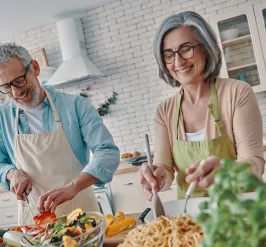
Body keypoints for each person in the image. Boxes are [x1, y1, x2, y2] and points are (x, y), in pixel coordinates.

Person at [139, 11, 265, 201]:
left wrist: (228, 171)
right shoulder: (164, 111)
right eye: (169, 55)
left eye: (186, 48)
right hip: (190, 222)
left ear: (206, 48)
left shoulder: (237, 92)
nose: (178, 61)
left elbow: (255, 164)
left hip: (241, 215)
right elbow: (164, 171)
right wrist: (155, 177)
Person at [0, 43, 120, 225]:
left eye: (19, 81)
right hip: (34, 221)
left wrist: (73, 187)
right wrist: (11, 173)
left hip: (81, 214)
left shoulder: (76, 106)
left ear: (35, 67)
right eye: (6, 87)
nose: (16, 92)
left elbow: (107, 152)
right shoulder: (2, 117)